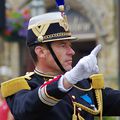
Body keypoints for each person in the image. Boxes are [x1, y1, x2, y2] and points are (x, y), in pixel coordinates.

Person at [1, 11, 120, 120]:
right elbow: (26, 108)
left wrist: (71, 79)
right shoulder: (23, 88)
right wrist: (67, 81)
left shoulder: (83, 85)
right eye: (63, 45)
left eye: (70, 45)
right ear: (41, 52)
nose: (71, 52)